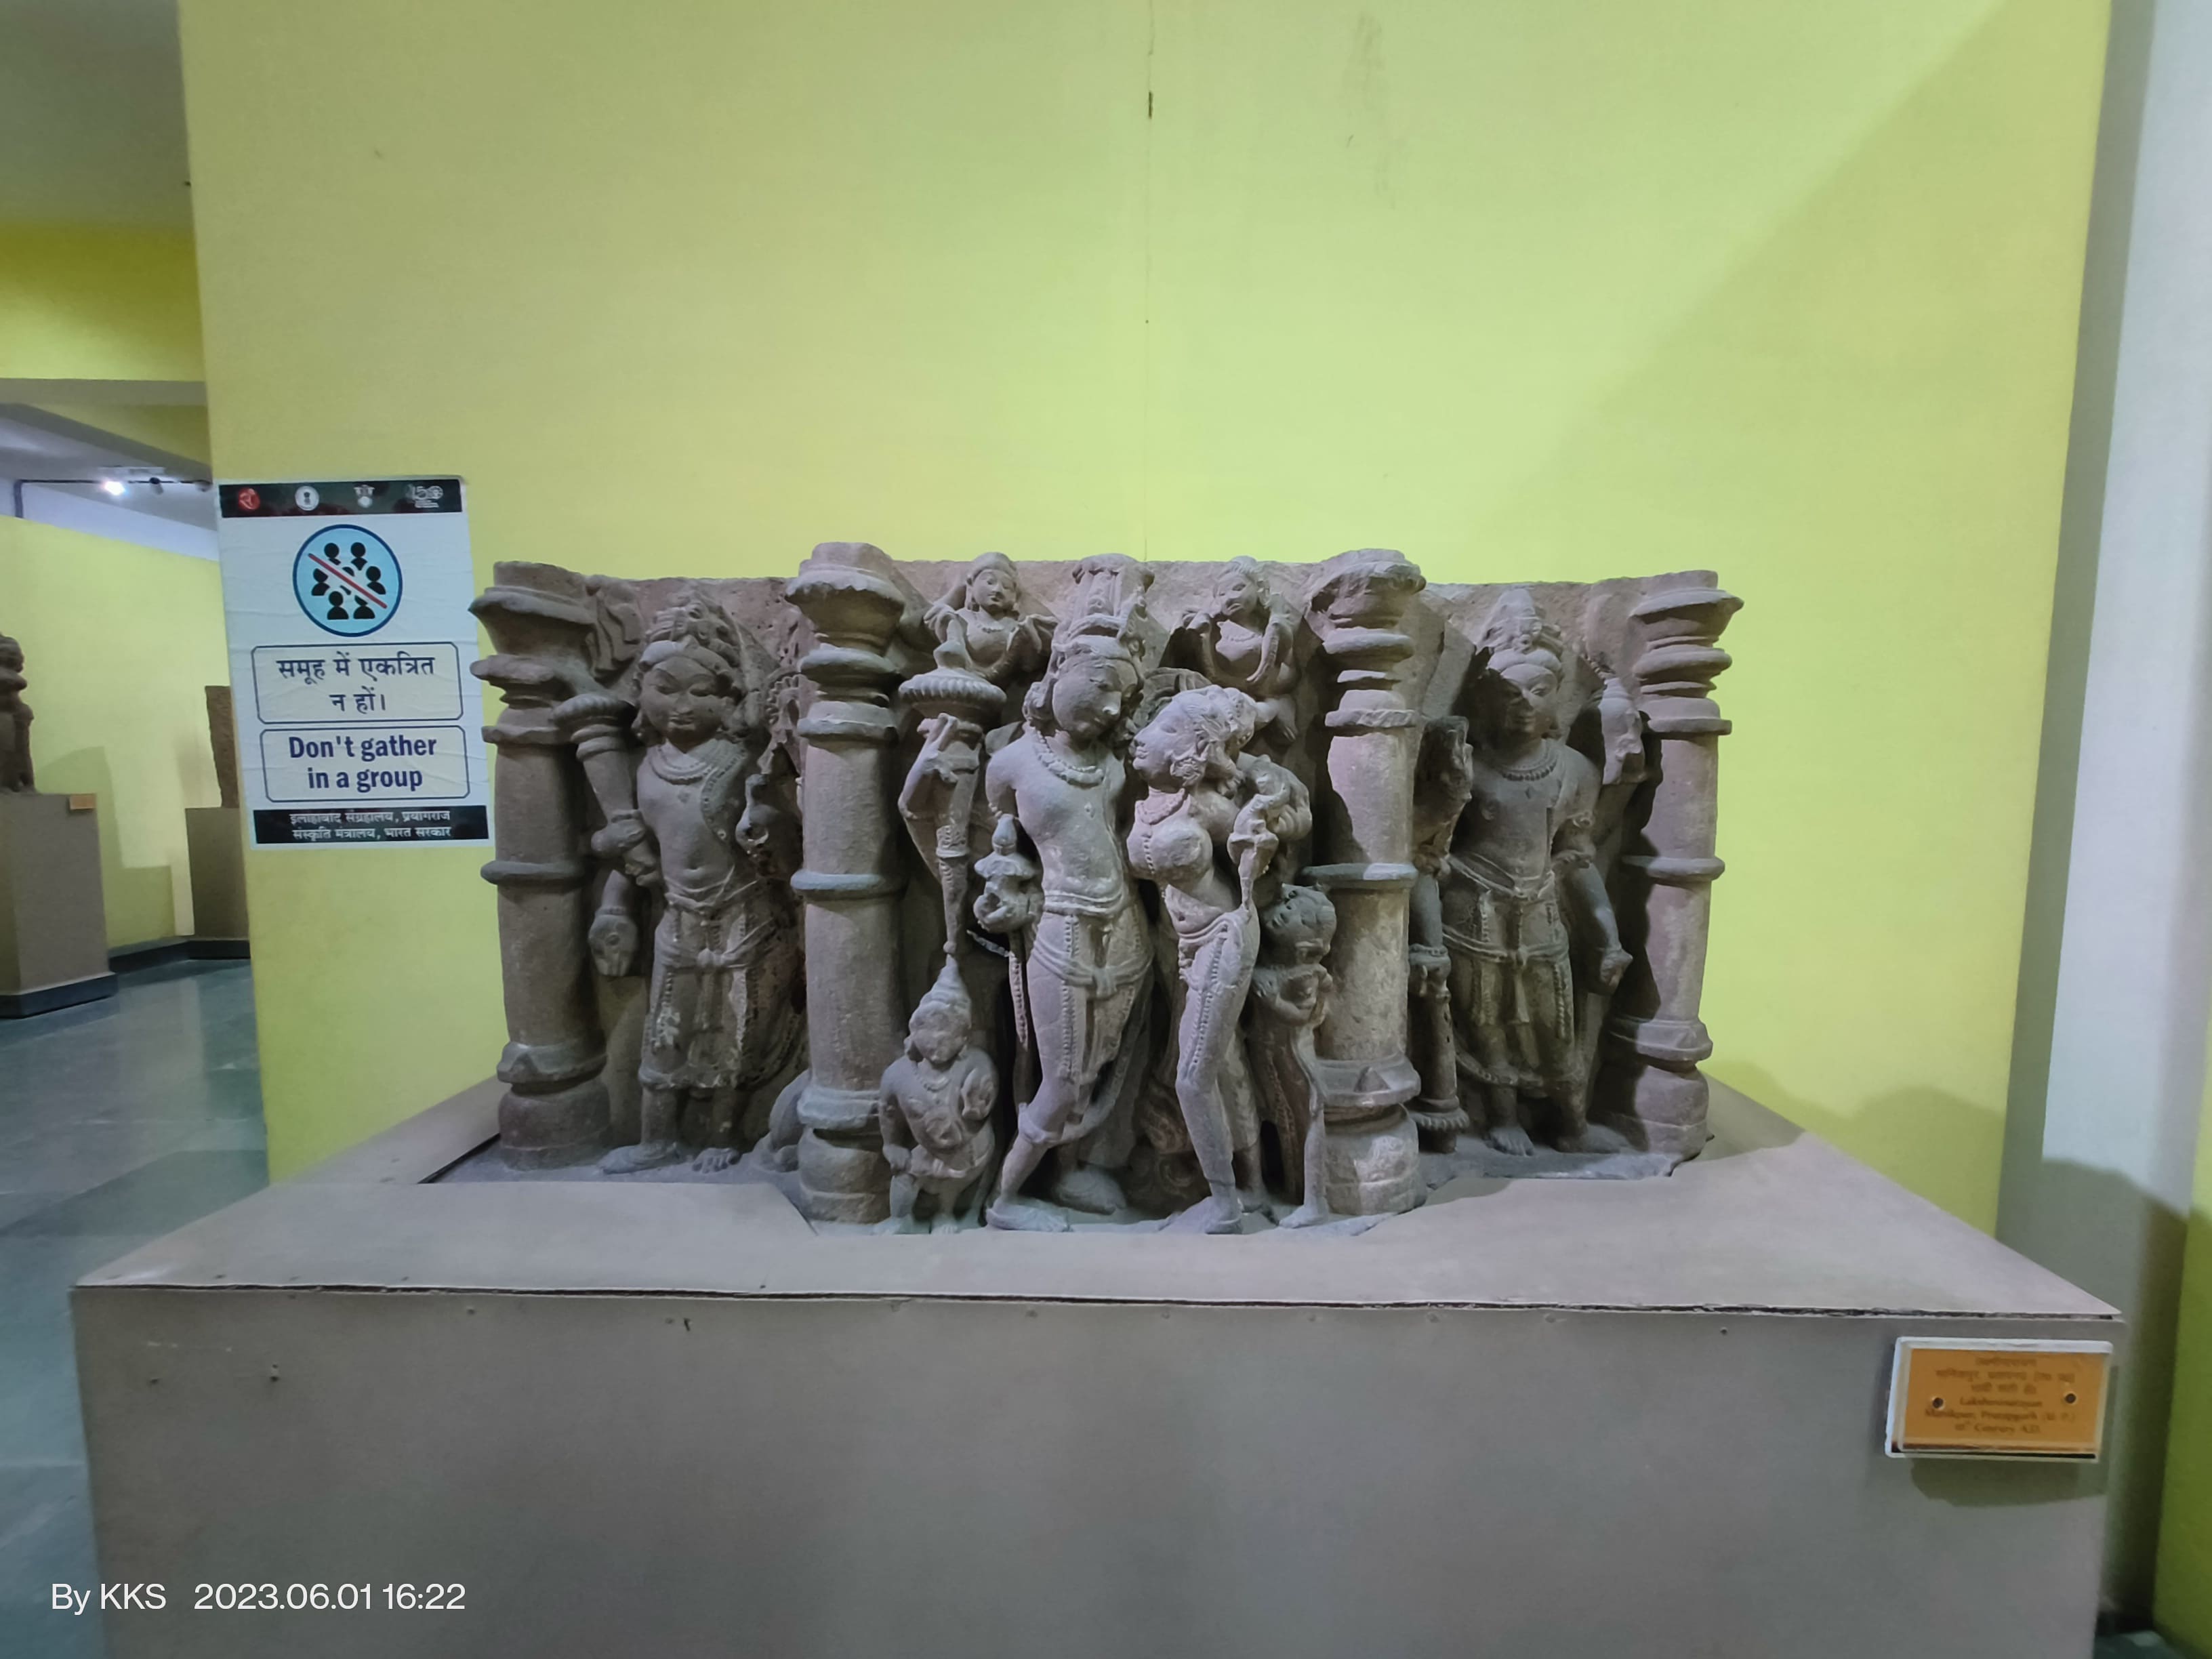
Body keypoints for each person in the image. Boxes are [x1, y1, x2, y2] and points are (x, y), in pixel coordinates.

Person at [975, 623, 1151, 1230]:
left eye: (1123, 696)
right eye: (1100, 686)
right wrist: (1003, 893)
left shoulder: (1115, 763)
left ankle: (1066, 1172)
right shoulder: (1011, 765)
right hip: (1059, 924)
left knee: (1101, 1065)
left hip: (1124, 923)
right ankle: (1005, 1198)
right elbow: (996, 852)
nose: (1112, 707)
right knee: (1064, 1077)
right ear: (1057, 674)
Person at [1126, 684, 1311, 1233]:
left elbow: (1280, 831)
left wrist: (1267, 812)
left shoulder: (1209, 808)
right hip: (1178, 941)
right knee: (1223, 1065)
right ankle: (1249, 1186)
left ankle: (1225, 1203)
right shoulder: (1151, 798)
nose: (1143, 737)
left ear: (1194, 750)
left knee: (1193, 1077)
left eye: (1165, 730)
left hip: (1222, 938)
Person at [876, 970, 999, 1233]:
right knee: (906, 1176)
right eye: (928, 1032)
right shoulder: (898, 1074)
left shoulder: (976, 1064)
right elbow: (888, 1111)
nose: (936, 1042)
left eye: (947, 1035)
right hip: (922, 1147)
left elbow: (984, 1101)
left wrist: (977, 1104)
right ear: (914, 1033)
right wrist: (892, 1144)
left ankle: (945, 1213)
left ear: (964, 1039)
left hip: (965, 1146)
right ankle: (900, 1218)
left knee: (952, 1183)